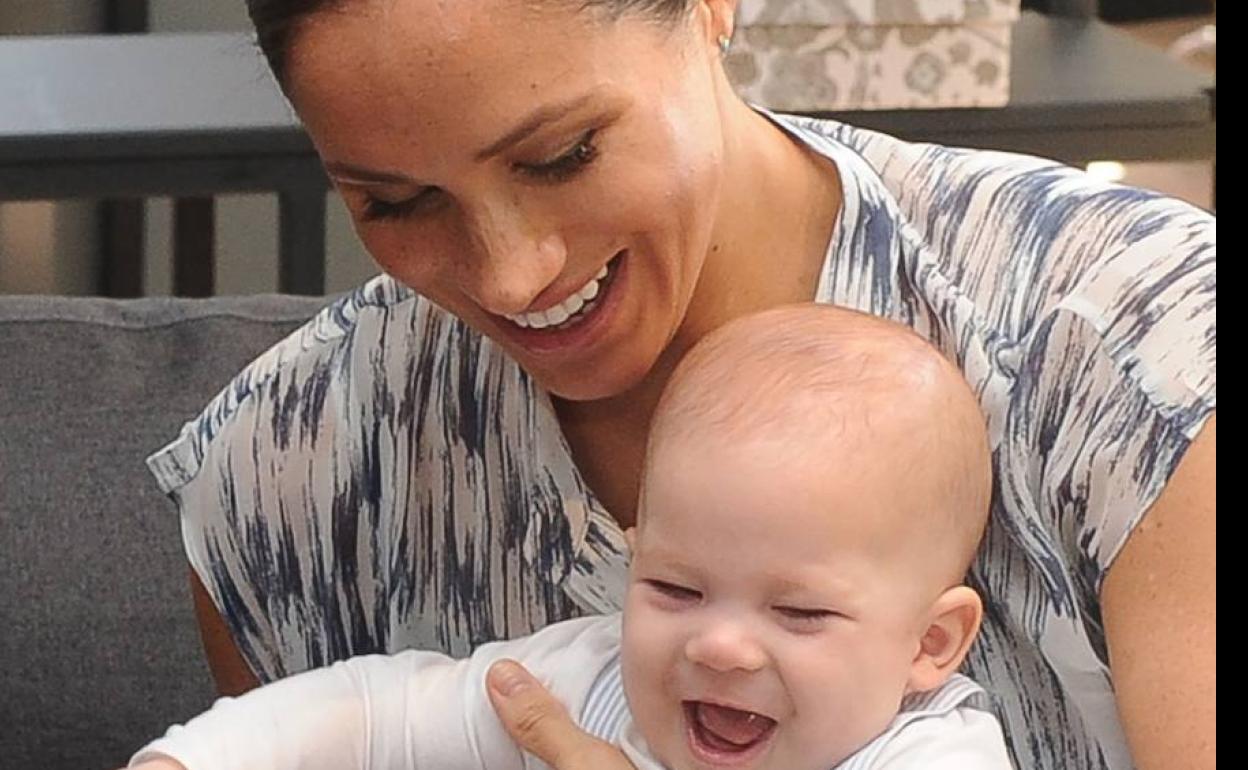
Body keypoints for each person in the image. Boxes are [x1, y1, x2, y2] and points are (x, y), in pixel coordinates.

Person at [147, 1, 1216, 768]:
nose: (513, 272)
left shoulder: (1130, 343)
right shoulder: (289, 474)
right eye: (396, 203)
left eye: (562, 154)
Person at [131, 306, 1010, 770]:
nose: (720, 644)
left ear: (929, 645)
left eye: (802, 612)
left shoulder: (930, 753)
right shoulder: (594, 686)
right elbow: (378, 717)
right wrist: (196, 756)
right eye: (675, 588)